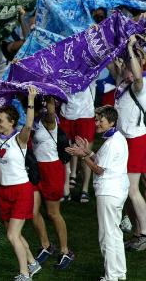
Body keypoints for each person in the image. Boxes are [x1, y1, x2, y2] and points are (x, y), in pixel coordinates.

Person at [0, 80, 40, 281]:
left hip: (21, 191)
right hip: (5, 192)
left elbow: (29, 124)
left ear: (12, 122)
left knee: (12, 235)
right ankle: (33, 263)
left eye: (1, 120)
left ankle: (24, 274)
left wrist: (30, 100)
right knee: (16, 234)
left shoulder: (20, 139)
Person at [66, 105, 129, 281]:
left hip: (109, 193)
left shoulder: (112, 143)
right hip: (117, 192)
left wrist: (82, 156)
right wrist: (88, 151)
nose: (96, 123)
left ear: (112, 122)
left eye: (100, 121)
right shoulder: (118, 138)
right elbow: (104, 161)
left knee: (107, 236)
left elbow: (100, 169)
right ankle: (119, 273)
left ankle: (111, 277)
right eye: (96, 120)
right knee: (115, 234)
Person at [109, 36, 146, 251]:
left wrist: (132, 49)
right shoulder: (122, 82)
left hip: (136, 140)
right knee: (127, 188)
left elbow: (137, 77)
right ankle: (136, 232)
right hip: (124, 141)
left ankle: (144, 233)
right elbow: (111, 62)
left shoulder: (141, 85)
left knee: (132, 189)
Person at [31, 97, 74, 269]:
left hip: (51, 170)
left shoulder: (50, 120)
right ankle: (46, 245)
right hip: (36, 168)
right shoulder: (32, 119)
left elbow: (50, 112)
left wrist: (48, 94)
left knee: (53, 213)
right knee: (32, 211)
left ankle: (65, 251)